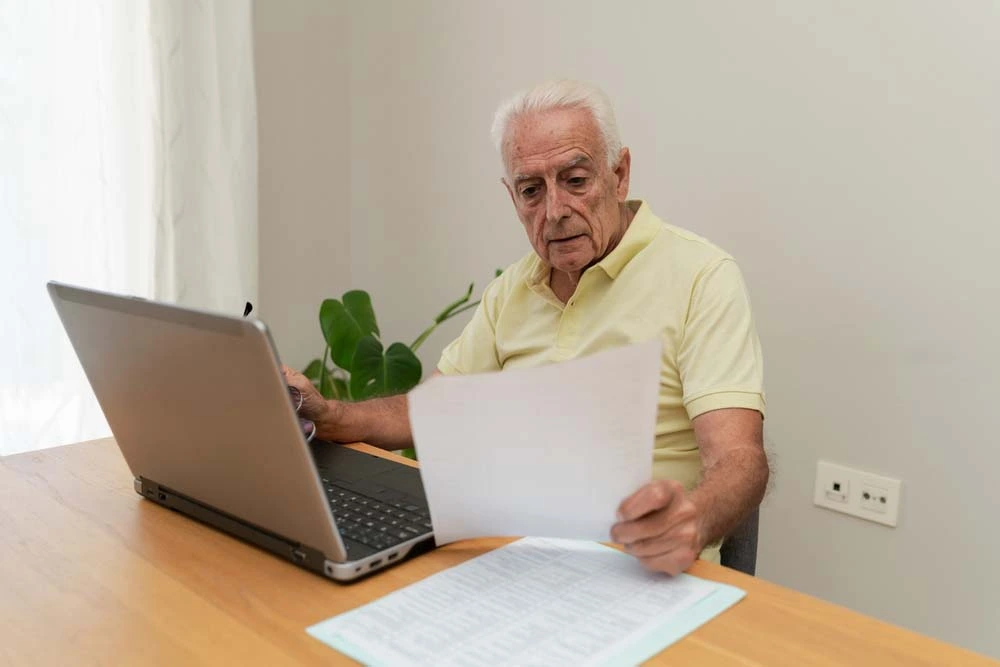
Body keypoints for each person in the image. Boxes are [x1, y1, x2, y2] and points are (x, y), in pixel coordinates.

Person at [283, 80, 768, 575]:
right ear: (511, 196)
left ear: (619, 174)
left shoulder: (701, 276)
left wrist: (693, 518)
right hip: (513, 562)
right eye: (531, 191)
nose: (554, 211)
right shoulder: (513, 289)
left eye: (575, 180)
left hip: (639, 569)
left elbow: (740, 459)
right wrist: (330, 414)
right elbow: (433, 413)